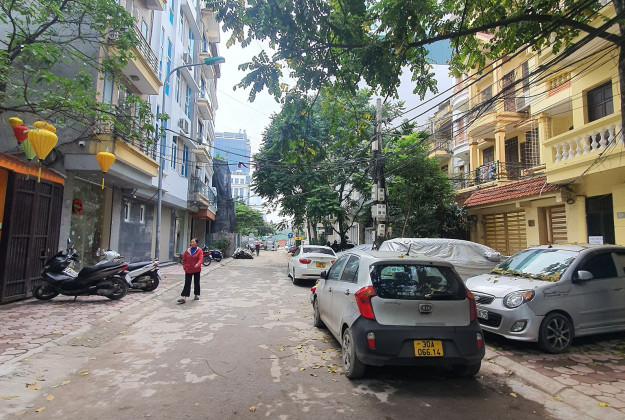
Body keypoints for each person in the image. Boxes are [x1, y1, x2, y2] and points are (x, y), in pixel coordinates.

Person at [178, 238, 203, 304]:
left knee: (196, 282)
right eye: (191, 242)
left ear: (196, 243)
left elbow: (200, 258)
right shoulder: (187, 250)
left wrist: (198, 264)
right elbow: (184, 259)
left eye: (193, 242)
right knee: (187, 283)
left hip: (196, 269)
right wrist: (185, 267)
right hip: (188, 269)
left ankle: (196, 294)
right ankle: (184, 297)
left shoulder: (199, 250)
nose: (191, 243)